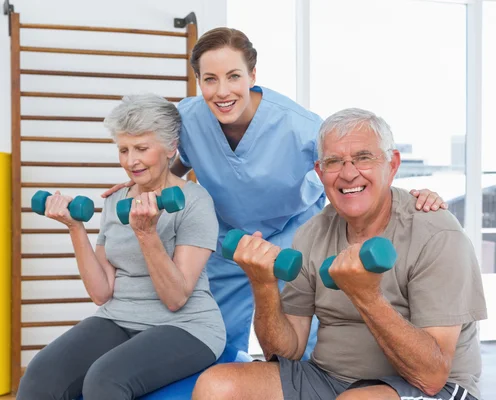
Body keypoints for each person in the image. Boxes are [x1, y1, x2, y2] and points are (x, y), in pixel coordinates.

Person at [102, 27, 446, 358]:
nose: (222, 91)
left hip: (292, 234)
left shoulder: (300, 126)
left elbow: (351, 171)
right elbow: (179, 161)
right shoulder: (189, 118)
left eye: (233, 76)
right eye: (210, 79)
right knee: (213, 338)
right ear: (199, 82)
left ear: (253, 75)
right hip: (228, 237)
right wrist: (143, 183)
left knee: (299, 343)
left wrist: (409, 196)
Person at [191, 108, 487, 400]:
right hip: (328, 378)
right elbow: (283, 353)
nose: (348, 173)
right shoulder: (311, 234)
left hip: (430, 387)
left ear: (392, 164)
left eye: (363, 158)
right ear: (320, 172)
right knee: (217, 385)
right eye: (334, 162)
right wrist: (263, 284)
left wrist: (367, 297)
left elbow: (432, 376)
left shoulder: (436, 233)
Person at [16, 94, 226, 400]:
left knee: (104, 381)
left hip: (186, 325)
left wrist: (147, 234)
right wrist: (75, 228)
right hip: (119, 317)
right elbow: (102, 292)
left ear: (170, 148)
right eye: (124, 150)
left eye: (142, 148)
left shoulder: (195, 203)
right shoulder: (116, 201)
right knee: (40, 376)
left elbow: (176, 298)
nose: (131, 161)